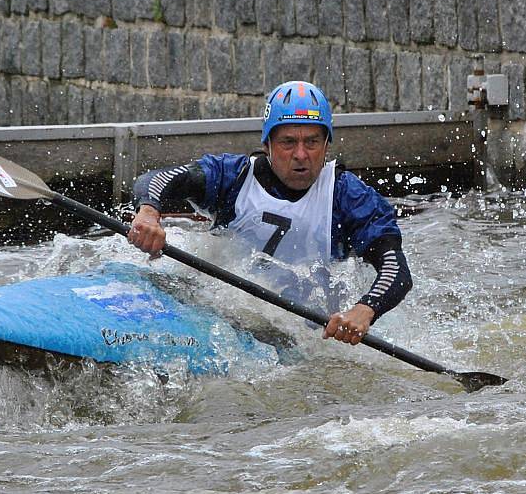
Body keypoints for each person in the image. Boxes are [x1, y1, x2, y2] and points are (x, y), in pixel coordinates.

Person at [127, 80, 412, 346]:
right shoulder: (233, 177)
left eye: (312, 142)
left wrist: (365, 309)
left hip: (307, 339)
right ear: (267, 145)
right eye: (288, 142)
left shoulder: (349, 197)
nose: (301, 154)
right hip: (220, 314)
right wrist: (149, 213)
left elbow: (396, 270)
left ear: (326, 145)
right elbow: (158, 179)